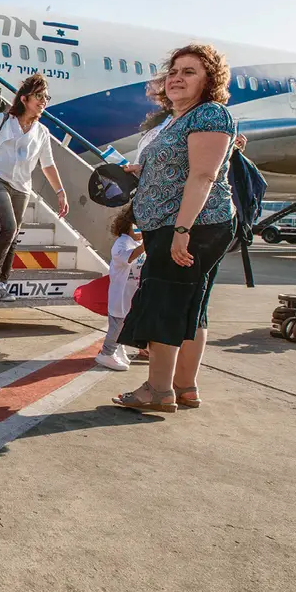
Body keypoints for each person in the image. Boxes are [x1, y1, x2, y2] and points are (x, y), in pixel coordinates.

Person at [112, 44, 238, 412]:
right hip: (178, 225)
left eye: (189, 72)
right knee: (191, 305)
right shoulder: (177, 120)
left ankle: (158, 390)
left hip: (189, 226)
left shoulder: (210, 114)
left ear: (209, 80)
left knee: (164, 302)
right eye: (173, 71)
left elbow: (203, 175)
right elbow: (180, 167)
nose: (177, 78)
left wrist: (182, 232)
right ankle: (185, 387)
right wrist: (144, 171)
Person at [0, 74, 69, 302]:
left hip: (22, 187)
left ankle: (3, 283)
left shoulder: (42, 132)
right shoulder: (3, 120)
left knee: (13, 235)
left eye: (46, 98)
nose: (43, 101)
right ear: (24, 99)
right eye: (39, 96)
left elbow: (48, 165)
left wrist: (60, 192)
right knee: (9, 227)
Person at [95, 205, 145, 371]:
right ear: (127, 226)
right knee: (117, 326)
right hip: (120, 295)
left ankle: (118, 348)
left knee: (126, 324)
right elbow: (129, 257)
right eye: (137, 226)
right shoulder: (121, 243)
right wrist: (147, 243)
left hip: (132, 294)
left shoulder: (138, 242)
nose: (140, 231)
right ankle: (106, 353)